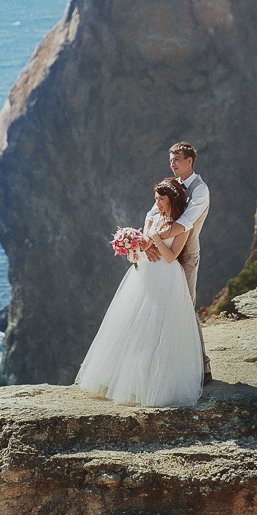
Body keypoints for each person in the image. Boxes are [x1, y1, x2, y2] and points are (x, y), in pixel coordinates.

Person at [74, 178, 204, 407]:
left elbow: (172, 256)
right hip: (146, 271)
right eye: (156, 199)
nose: (157, 203)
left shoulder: (184, 225)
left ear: (171, 199)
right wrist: (138, 246)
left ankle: (157, 385)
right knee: (134, 323)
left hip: (167, 275)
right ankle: (128, 383)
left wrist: (154, 240)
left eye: (161, 199)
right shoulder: (153, 217)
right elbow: (144, 245)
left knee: (160, 327)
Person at [145, 142, 211, 385]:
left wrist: (154, 239)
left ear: (189, 161)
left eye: (176, 160)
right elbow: (152, 213)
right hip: (163, 253)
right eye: (170, 160)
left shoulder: (200, 190)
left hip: (186, 255)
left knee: (186, 308)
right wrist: (146, 240)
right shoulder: (171, 185)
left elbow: (186, 222)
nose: (172, 164)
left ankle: (203, 368)